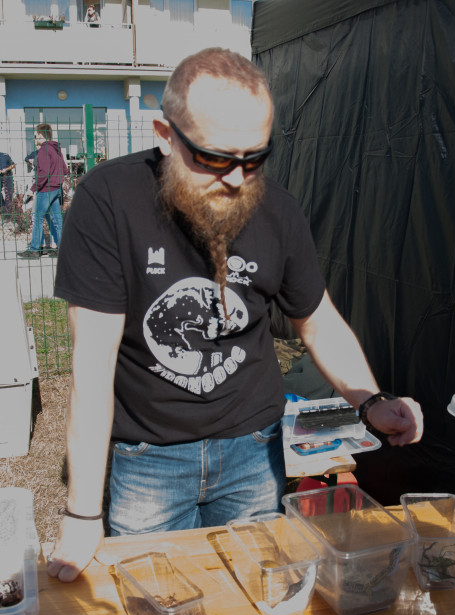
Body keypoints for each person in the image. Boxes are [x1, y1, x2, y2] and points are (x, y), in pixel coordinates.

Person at [48, 47, 423, 583]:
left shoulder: (278, 210)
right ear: (166, 135)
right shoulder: (109, 201)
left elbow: (318, 321)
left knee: (256, 592)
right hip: (150, 456)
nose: (238, 178)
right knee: (158, 601)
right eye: (215, 158)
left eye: (255, 158)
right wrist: (83, 515)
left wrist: (372, 400)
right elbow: (92, 363)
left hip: (254, 448)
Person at [19, 124, 68, 259]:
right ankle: (62, 249)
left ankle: (34, 250)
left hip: (46, 189)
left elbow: (43, 174)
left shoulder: (43, 151)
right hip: (56, 189)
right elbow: (65, 170)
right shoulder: (56, 149)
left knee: (37, 219)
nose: (35, 139)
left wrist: (32, 189)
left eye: (35, 136)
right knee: (57, 220)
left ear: (41, 135)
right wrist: (56, 179)